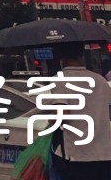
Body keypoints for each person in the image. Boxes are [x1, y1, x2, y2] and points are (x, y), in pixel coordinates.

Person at [48, 43, 111, 179]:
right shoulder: (101, 80)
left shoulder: (60, 79)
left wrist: (51, 118)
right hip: (105, 155)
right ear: (82, 55)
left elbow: (61, 116)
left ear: (61, 57)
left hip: (76, 156)